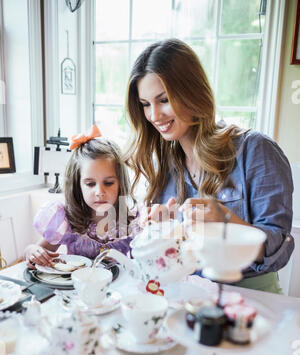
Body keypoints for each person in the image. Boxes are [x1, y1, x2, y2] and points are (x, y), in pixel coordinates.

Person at [125, 38, 294, 293]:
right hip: (191, 297)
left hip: (253, 300)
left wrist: (225, 219)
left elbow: (278, 248)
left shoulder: (255, 150)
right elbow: (176, 256)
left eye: (164, 100)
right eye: (146, 105)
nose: (154, 116)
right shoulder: (165, 165)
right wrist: (163, 229)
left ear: (191, 92)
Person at [24, 125, 136, 268]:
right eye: (90, 184)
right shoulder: (65, 220)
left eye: (108, 183)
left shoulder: (134, 221)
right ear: (78, 185)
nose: (99, 192)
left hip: (119, 289)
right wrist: (31, 251)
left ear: (121, 183)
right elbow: (38, 251)